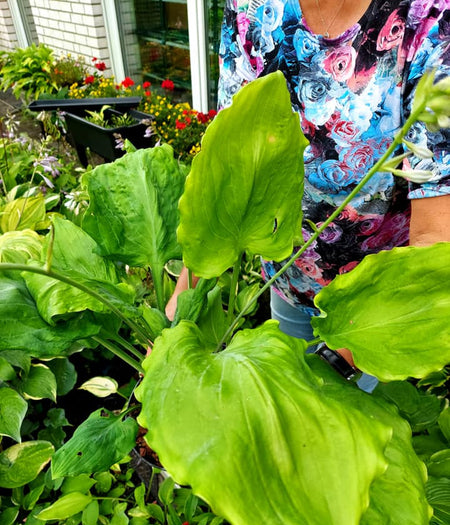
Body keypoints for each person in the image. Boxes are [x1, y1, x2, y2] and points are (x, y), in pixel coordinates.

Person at [167, 0, 450, 392]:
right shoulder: (252, 8)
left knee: (333, 426)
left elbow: (435, 239)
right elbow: (229, 163)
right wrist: (188, 290)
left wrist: (334, 365)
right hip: (286, 276)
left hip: (371, 313)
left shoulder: (427, 19)